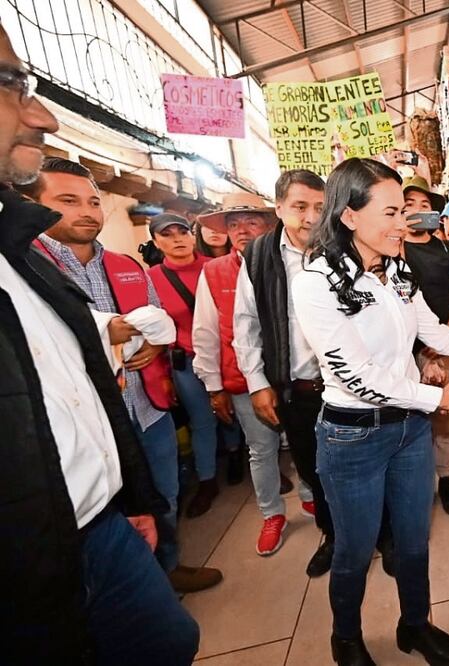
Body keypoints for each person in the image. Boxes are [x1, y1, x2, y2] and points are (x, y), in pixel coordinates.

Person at [0, 27, 200, 663]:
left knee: (173, 639)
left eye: (93, 200)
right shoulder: (35, 255)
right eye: (10, 84)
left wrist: (122, 497)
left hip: (110, 491)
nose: (41, 115)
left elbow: (137, 337)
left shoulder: (32, 265)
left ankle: (167, 562)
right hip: (34, 561)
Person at [291, 158, 449, 666]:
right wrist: (443, 398)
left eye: (406, 212)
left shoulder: (397, 268)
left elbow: (434, 332)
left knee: (414, 540)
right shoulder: (315, 282)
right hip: (352, 437)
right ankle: (347, 639)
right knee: (355, 551)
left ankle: (414, 625)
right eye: (393, 212)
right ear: (350, 216)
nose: (406, 224)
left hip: (409, 432)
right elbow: (359, 377)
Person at [21, 157, 222, 594]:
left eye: (93, 202)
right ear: (32, 205)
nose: (87, 212)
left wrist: (154, 345)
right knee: (109, 508)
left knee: (164, 493)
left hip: (145, 404)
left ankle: (168, 568)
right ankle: (134, 589)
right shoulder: (27, 269)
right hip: (87, 417)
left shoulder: (124, 265)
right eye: (68, 201)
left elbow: (156, 322)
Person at [193, 192, 309, 556]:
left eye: (251, 222)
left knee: (307, 443)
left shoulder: (293, 260)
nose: (242, 230)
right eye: (233, 224)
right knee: (261, 450)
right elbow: (206, 332)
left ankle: (311, 498)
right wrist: (214, 387)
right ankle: (272, 514)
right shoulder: (213, 273)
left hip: (294, 376)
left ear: (268, 224)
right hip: (244, 380)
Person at [233, 169, 336, 577]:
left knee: (358, 466)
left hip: (346, 387)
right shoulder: (258, 256)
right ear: (279, 208)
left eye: (319, 207)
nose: (311, 217)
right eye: (300, 207)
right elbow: (246, 325)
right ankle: (333, 535)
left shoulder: (340, 250)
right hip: (297, 390)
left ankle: (376, 532)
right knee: (313, 469)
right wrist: (258, 384)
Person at [147, 213, 243, 517]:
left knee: (238, 412)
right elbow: (152, 331)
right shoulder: (152, 279)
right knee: (203, 419)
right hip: (186, 361)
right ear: (156, 241)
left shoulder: (216, 267)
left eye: (182, 232)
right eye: (167, 234)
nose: (177, 239)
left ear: (193, 235)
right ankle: (207, 479)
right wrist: (162, 375)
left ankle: (239, 457)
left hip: (228, 353)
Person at [403, 185, 449, 515]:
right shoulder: (391, 250)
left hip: (444, 346)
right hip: (401, 351)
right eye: (409, 203)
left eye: (424, 204)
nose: (417, 208)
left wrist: (440, 341)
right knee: (411, 420)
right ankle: (416, 487)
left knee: (446, 418)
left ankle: (445, 480)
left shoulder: (448, 252)